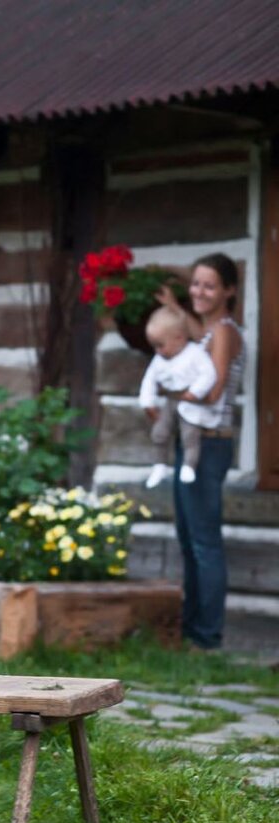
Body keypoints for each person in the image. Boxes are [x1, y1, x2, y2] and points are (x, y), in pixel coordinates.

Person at [155, 253, 245, 651]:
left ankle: (206, 637)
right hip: (195, 442)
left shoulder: (224, 331)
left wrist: (170, 394)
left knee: (204, 540)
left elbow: (213, 388)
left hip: (209, 443)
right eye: (196, 283)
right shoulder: (208, 331)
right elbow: (197, 334)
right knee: (190, 537)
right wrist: (175, 309)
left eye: (210, 285)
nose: (200, 291)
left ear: (229, 290)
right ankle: (192, 631)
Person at [138, 306, 218, 489]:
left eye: (161, 345)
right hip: (170, 402)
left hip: (191, 403)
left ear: (179, 338)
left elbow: (209, 374)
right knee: (159, 432)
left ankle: (189, 466)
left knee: (190, 435)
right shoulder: (159, 360)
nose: (158, 351)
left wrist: (195, 392)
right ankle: (159, 466)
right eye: (154, 346)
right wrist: (147, 402)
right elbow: (149, 380)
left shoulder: (195, 354)